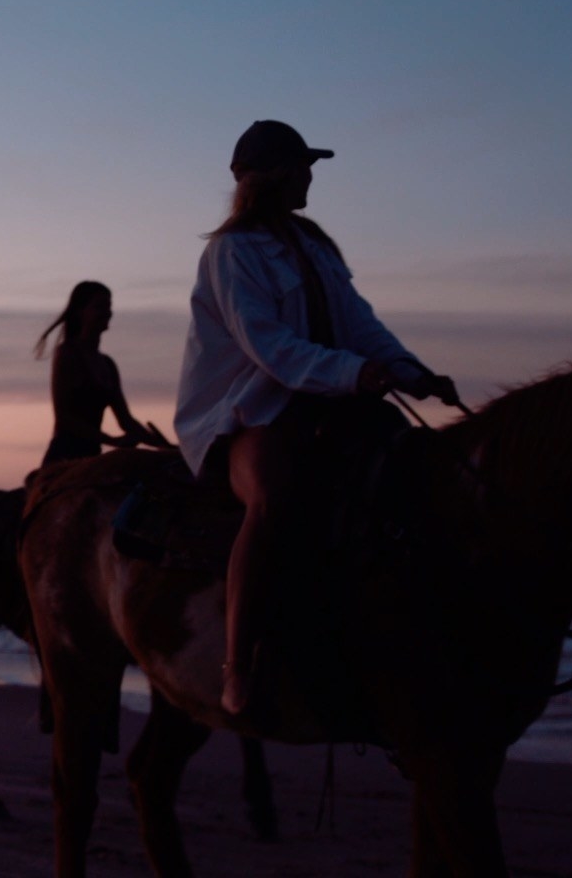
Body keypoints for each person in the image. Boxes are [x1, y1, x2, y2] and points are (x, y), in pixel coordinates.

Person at [173, 120, 457, 716]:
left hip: (327, 399)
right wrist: (355, 374)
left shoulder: (316, 246)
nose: (309, 176)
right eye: (302, 166)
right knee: (271, 500)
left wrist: (410, 371)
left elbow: (360, 324)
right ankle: (238, 664)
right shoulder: (231, 252)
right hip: (251, 412)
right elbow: (269, 347)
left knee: (416, 474)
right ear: (275, 175)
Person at [34, 281, 169, 466]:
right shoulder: (67, 353)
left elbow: (126, 421)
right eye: (100, 307)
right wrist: (112, 440)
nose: (107, 312)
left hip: (92, 456)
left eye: (109, 306)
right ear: (80, 312)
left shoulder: (108, 364)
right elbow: (64, 418)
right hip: (64, 457)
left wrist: (164, 446)